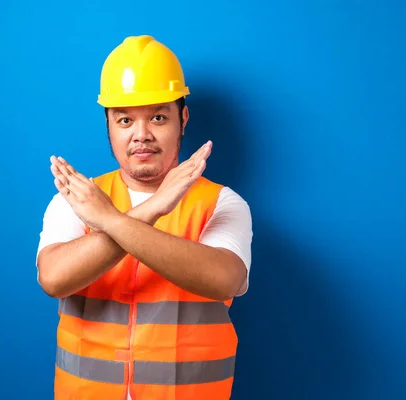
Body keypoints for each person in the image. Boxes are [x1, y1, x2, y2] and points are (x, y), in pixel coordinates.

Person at [36, 35, 253, 400]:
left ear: (182, 119)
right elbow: (54, 279)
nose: (142, 135)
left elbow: (224, 280)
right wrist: (151, 209)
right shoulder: (77, 199)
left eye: (157, 117)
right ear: (108, 123)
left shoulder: (221, 203)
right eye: (124, 120)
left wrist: (114, 220)